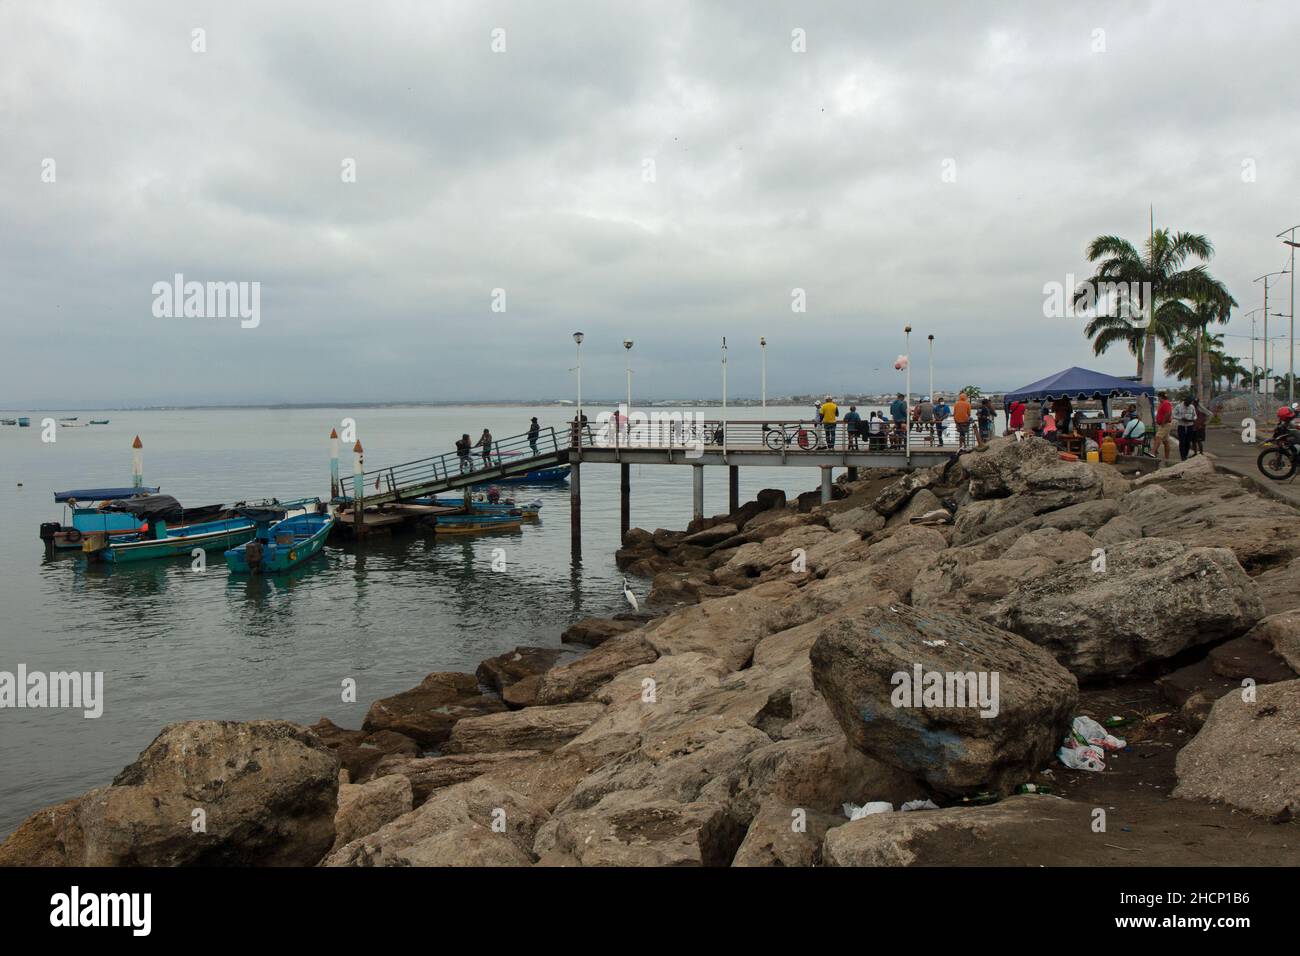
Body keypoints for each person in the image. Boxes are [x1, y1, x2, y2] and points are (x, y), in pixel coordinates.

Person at [1172, 392, 1196, 462]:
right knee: (1182, 441)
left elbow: (1195, 416)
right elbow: (1173, 415)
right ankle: (1182, 456)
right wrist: (1180, 418)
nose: (1189, 404)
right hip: (1181, 426)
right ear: (1185, 401)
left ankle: (1186, 454)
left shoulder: (1192, 407)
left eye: (1190, 403)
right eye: (1188, 403)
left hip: (1190, 425)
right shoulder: (1178, 406)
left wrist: (1192, 419)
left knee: (1188, 441)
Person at [1153, 391, 1174, 462]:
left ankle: (1152, 453)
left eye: (1158, 397)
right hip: (1163, 424)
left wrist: (1163, 422)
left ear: (1160, 397)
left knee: (1158, 437)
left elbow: (1168, 413)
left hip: (1165, 424)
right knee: (1166, 441)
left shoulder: (1166, 403)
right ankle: (1166, 458)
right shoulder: (1162, 403)